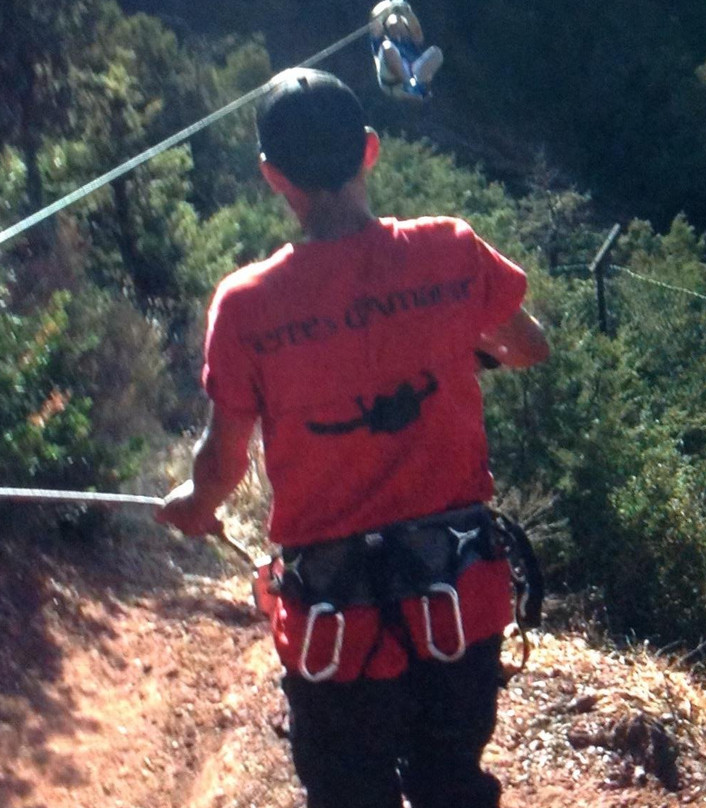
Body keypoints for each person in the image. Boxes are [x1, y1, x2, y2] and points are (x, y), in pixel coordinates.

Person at [156, 68, 549, 808]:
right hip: (456, 600)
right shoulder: (450, 251)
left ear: (274, 178)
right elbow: (530, 346)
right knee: (451, 785)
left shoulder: (245, 306)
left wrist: (191, 503)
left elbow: (224, 462)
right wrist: (452, 347)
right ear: (370, 151)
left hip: (339, 628)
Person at [369, 1, 443, 99]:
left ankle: (414, 83)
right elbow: (374, 22)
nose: (397, 27)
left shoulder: (411, 40)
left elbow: (417, 31)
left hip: (412, 73)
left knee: (436, 53)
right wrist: (387, 10)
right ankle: (407, 81)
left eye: (400, 24)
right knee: (387, 47)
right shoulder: (380, 41)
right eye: (393, 25)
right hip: (390, 80)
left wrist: (405, 10)